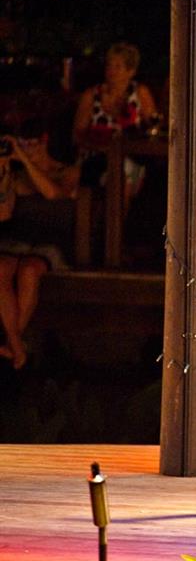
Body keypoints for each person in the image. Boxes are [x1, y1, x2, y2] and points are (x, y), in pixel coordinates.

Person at [0, 121, 80, 369]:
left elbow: (52, 193)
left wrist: (23, 159)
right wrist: (3, 175)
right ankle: (16, 345)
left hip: (51, 241)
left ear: (43, 141)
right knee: (1, 268)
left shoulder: (66, 171)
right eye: (19, 144)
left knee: (29, 271)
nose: (24, 148)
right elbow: (3, 215)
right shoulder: (17, 176)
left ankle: (12, 341)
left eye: (28, 144)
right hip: (19, 240)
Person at [73, 42, 157, 202]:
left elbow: (152, 127)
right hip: (97, 158)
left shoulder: (140, 93)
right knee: (120, 174)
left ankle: (121, 223)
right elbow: (78, 135)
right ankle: (116, 225)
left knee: (129, 170)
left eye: (117, 66)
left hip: (131, 155)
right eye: (109, 65)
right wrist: (104, 146)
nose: (111, 71)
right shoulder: (92, 96)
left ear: (130, 71)